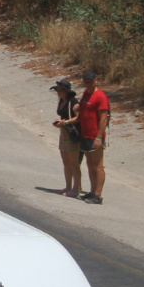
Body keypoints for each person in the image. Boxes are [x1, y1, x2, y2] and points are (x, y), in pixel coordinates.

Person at [77, 70, 109, 205]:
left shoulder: (100, 96)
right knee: (90, 164)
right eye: (86, 82)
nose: (88, 84)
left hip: (95, 135)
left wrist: (99, 137)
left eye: (91, 81)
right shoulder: (85, 94)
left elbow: (103, 119)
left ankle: (98, 194)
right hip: (85, 134)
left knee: (98, 166)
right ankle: (92, 191)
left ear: (96, 80)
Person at [50, 80, 82, 197]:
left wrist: (65, 122)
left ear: (65, 91)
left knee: (74, 163)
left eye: (59, 90)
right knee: (66, 162)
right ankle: (68, 186)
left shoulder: (73, 102)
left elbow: (79, 118)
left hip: (71, 133)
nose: (58, 93)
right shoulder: (62, 101)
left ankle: (75, 188)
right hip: (64, 132)